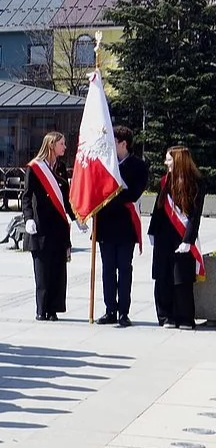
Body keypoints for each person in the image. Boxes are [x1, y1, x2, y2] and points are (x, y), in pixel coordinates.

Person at [23, 132, 85, 321]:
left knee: (58, 270)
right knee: (42, 270)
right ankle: (41, 309)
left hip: (58, 226)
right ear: (51, 145)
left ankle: (53, 309)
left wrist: (76, 218)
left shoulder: (61, 167)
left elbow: (65, 198)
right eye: (62, 144)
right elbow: (26, 196)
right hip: (40, 225)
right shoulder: (35, 167)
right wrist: (28, 218)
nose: (65, 147)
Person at [94, 126, 149, 327]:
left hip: (126, 226)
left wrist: (109, 195)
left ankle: (123, 312)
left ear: (123, 143)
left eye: (113, 141)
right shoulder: (104, 163)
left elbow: (133, 193)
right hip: (105, 226)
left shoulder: (139, 166)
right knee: (108, 270)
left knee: (125, 269)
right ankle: (110, 309)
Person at [148, 146, 205, 329]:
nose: (166, 163)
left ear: (179, 160)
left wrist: (188, 240)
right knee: (163, 275)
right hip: (163, 234)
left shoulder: (196, 182)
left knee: (181, 277)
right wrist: (152, 231)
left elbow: (195, 216)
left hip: (182, 236)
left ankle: (185, 317)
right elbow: (158, 208)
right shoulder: (165, 181)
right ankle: (166, 316)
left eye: (169, 159)